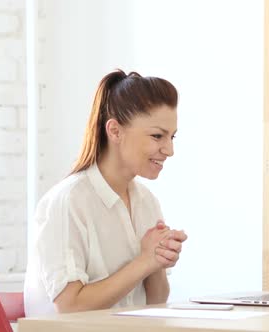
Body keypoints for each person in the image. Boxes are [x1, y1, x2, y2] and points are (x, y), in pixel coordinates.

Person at [24, 69, 187, 316]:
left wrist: (157, 261)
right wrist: (144, 261)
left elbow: (155, 300)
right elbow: (70, 306)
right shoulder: (68, 202)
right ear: (115, 131)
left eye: (172, 137)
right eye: (157, 136)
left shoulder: (147, 202)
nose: (170, 150)